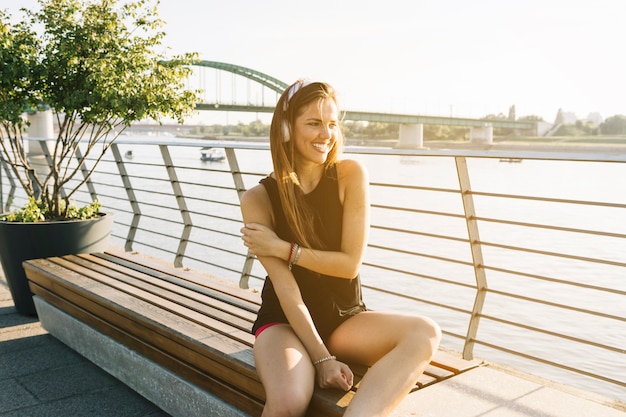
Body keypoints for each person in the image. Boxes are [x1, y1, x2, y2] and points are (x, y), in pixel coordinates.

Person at [239, 79, 441, 417]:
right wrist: (322, 359)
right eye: (314, 123)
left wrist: (284, 248)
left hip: (345, 320)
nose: (326, 134)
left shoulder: (350, 174)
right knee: (289, 402)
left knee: (424, 333)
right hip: (285, 322)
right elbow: (287, 290)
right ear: (287, 128)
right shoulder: (258, 199)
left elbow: (349, 265)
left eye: (332, 123)